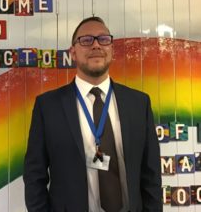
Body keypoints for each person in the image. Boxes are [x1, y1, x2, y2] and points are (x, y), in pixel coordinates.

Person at [23, 16, 162, 212]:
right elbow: (34, 176)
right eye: (86, 40)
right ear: (73, 52)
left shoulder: (139, 103)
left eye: (103, 39)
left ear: (111, 49)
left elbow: (151, 174)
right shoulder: (48, 107)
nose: (96, 45)